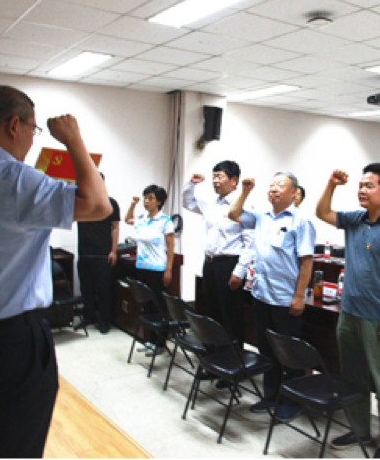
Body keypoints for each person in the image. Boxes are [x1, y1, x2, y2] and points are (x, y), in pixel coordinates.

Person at [0, 85, 111, 457]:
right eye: (33, 129)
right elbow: (98, 205)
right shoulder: (14, 179)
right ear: (14, 125)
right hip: (9, 343)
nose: (32, 139)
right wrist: (73, 140)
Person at [316, 164, 380, 459]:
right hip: (350, 313)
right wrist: (332, 185)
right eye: (360, 185)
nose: (362, 190)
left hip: (379, 317)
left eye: (369, 186)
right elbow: (322, 212)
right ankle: (359, 430)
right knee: (353, 378)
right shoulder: (356, 219)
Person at [228, 171, 316, 423]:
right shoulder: (261, 215)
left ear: (294, 193)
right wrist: (245, 192)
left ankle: (293, 401)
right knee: (266, 349)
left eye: (281, 185)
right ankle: (271, 395)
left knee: (289, 353)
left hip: (284, 298)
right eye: (272, 184)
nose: (274, 188)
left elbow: (306, 262)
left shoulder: (301, 221)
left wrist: (299, 297)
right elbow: (233, 214)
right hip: (261, 294)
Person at [182, 161, 254, 381]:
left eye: (220, 176)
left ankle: (232, 369)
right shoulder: (210, 203)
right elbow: (187, 202)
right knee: (211, 316)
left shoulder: (244, 205)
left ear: (234, 180)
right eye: (214, 176)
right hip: (211, 264)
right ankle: (213, 365)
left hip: (230, 265)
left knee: (230, 318)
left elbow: (250, 242)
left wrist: (239, 271)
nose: (215, 181)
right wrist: (191, 184)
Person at [125, 185, 175, 355]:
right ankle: (149, 340)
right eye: (145, 198)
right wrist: (133, 204)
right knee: (146, 305)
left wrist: (168, 270)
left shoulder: (165, 221)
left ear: (159, 202)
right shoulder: (142, 219)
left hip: (158, 269)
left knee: (158, 307)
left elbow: (170, 247)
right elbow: (127, 219)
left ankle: (160, 343)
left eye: (150, 198)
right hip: (141, 267)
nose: (146, 201)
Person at [77, 173, 121, 334]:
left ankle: (104, 321)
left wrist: (113, 251)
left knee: (104, 291)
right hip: (84, 254)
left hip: (103, 254)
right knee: (86, 289)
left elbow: (115, 227)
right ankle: (88, 317)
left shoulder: (110, 203)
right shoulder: (81, 203)